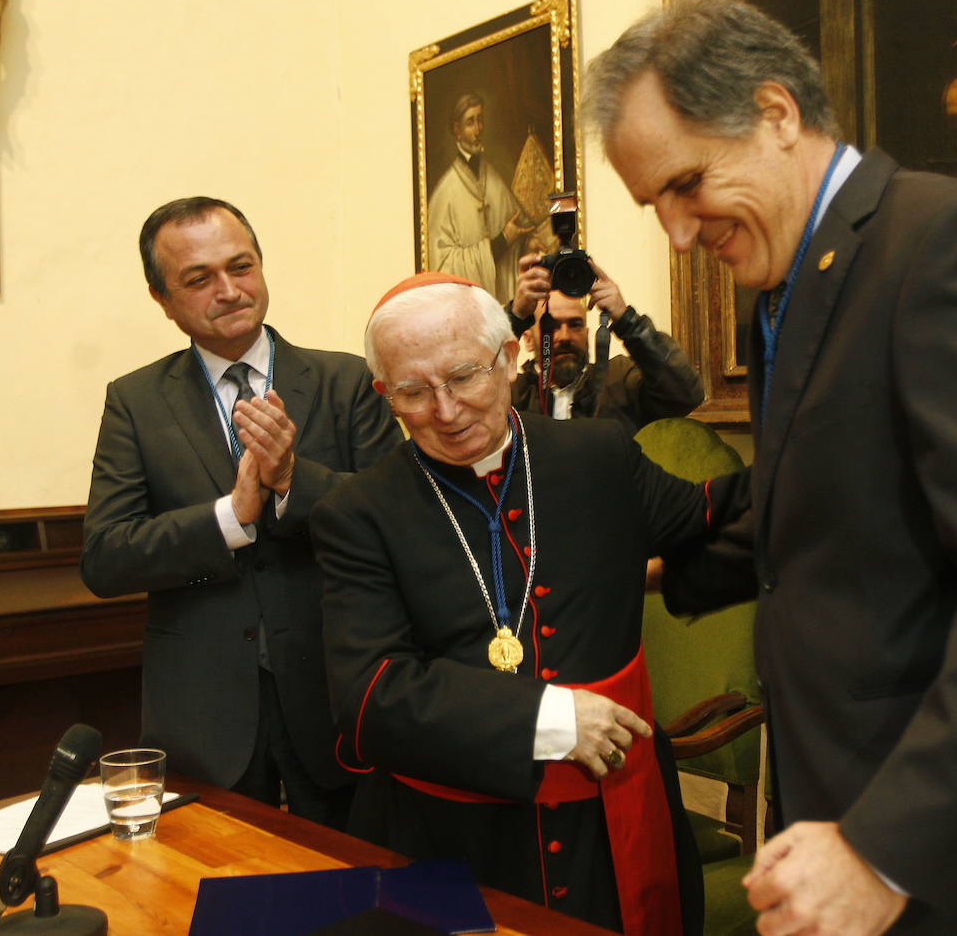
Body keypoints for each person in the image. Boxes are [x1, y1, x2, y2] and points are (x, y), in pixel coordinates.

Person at [584, 0, 957, 935]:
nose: (678, 234)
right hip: (856, 806)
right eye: (652, 202)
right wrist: (659, 569)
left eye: (686, 183)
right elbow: (824, 497)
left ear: (775, 115)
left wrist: (884, 844)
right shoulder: (792, 279)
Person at [310, 272, 749, 936]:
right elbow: (369, 695)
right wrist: (549, 716)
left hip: (613, 819)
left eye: (463, 376)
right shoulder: (357, 512)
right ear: (383, 394)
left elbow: (716, 517)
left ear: (508, 360)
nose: (446, 409)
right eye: (412, 392)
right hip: (456, 838)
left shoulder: (597, 454)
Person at [81, 197, 401, 829]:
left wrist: (291, 482)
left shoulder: (345, 383)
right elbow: (105, 557)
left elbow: (394, 521)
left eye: (241, 266)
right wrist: (230, 516)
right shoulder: (136, 402)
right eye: (199, 279)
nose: (229, 290)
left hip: (333, 691)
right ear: (162, 298)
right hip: (204, 708)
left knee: (354, 901)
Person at [508, 254, 704, 432]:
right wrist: (514, 318)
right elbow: (479, 378)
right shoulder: (512, 395)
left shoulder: (619, 381)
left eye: (575, 325)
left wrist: (627, 320)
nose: (565, 336)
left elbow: (685, 395)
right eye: (551, 327)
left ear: (586, 334)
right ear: (528, 340)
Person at [427, 92, 530, 304]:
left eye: (480, 120)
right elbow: (441, 267)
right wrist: (501, 241)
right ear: (457, 131)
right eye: (470, 122)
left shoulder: (491, 174)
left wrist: (529, 241)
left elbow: (517, 225)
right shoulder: (444, 192)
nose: (478, 129)